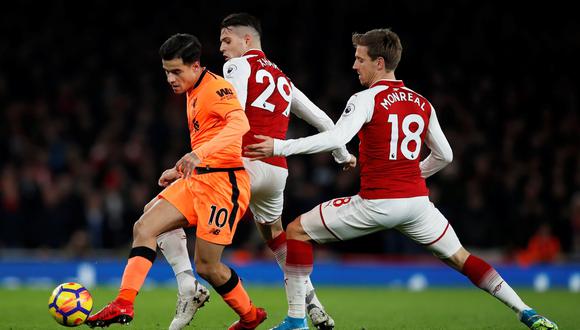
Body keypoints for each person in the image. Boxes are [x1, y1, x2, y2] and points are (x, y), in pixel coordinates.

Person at [246, 28, 558, 330]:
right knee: (462, 258)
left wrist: (280, 146)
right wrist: (411, 174)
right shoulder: (422, 102)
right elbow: (445, 155)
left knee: (297, 230)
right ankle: (527, 312)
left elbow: (336, 137)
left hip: (377, 202)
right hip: (417, 205)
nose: (355, 65)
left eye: (360, 59)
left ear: (378, 63)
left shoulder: (365, 99)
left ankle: (298, 320)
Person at [157, 13, 352, 330]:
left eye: (226, 40)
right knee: (276, 238)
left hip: (242, 165)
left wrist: (195, 157)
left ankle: (187, 287)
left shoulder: (236, 67)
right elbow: (326, 122)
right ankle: (314, 308)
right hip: (276, 171)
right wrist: (342, 154)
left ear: (247, 40)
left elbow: (236, 113)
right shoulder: (283, 80)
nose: (221, 48)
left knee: (166, 211)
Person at [86, 33, 267, 330]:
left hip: (224, 186)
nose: (170, 78)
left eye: (176, 71)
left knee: (208, 266)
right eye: (166, 71)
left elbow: (240, 123)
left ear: (195, 66)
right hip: (198, 178)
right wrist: (180, 167)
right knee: (145, 225)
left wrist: (197, 154)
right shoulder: (191, 90)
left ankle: (250, 316)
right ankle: (125, 302)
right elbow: (209, 137)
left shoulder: (217, 88)